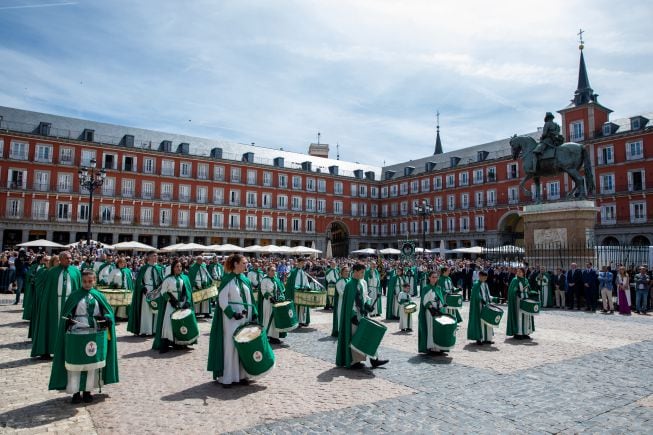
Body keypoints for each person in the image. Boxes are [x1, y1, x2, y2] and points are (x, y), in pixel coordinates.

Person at [48, 270, 119, 403]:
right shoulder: (74, 296)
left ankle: (87, 391)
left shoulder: (98, 295)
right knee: (76, 363)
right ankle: (75, 392)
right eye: (85, 281)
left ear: (94, 281)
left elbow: (107, 312)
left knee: (91, 364)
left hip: (94, 332)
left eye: (90, 281)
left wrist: (108, 318)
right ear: (81, 281)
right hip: (77, 332)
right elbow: (67, 312)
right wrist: (68, 319)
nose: (87, 284)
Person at [207, 254, 258, 387]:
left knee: (244, 346)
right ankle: (228, 377)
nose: (246, 265)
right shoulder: (227, 279)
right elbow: (222, 300)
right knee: (231, 346)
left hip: (245, 319)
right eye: (244, 263)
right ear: (236, 264)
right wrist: (233, 314)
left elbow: (251, 299)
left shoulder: (245, 280)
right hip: (231, 320)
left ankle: (242, 375)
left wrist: (254, 314)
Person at [335, 263, 388, 369]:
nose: (363, 274)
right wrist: (353, 315)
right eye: (362, 272)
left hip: (362, 314)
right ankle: (354, 361)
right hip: (354, 317)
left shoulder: (362, 283)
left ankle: (375, 359)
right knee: (356, 338)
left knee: (369, 336)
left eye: (364, 272)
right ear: (355, 272)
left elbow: (363, 297)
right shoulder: (349, 285)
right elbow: (350, 303)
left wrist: (367, 306)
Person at [31, 251, 82, 358]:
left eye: (70, 258)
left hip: (69, 303)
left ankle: (69, 349)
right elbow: (46, 289)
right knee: (51, 325)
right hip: (54, 302)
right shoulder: (52, 272)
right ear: (61, 259)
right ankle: (48, 349)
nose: (69, 260)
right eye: (67, 258)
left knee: (70, 326)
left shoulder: (75, 272)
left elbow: (78, 288)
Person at [152, 260, 195, 353]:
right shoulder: (168, 279)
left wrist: (187, 302)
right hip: (171, 304)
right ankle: (166, 343)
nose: (179, 268)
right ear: (173, 268)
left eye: (180, 266)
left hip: (182, 304)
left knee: (182, 323)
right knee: (168, 324)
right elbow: (163, 291)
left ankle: (181, 343)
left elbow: (188, 291)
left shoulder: (185, 278)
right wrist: (170, 300)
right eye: (177, 266)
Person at [128, 252, 163, 336]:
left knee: (155, 310)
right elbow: (139, 281)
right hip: (146, 290)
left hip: (156, 291)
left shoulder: (159, 268)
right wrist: (143, 288)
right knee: (146, 310)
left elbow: (162, 280)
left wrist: (159, 289)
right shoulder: (144, 268)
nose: (156, 257)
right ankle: (145, 330)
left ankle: (154, 330)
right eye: (154, 256)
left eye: (156, 256)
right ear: (149, 257)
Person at [418, 271, 448, 354]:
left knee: (438, 329)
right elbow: (425, 301)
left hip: (438, 311)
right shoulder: (426, 288)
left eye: (436, 277)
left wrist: (442, 306)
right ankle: (432, 347)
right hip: (430, 312)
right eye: (433, 277)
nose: (435, 279)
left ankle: (438, 347)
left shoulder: (438, 288)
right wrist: (432, 308)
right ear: (429, 278)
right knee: (431, 328)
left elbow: (441, 299)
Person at [260, 265, 286, 344]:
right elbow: (263, 291)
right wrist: (270, 297)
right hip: (268, 302)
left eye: (274, 270)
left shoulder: (276, 280)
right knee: (268, 318)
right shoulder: (265, 280)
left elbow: (281, 290)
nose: (273, 272)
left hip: (276, 302)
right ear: (268, 271)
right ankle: (269, 335)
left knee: (276, 319)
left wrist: (281, 297)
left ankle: (275, 336)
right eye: (272, 270)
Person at [467, 270, 496, 345]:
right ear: (479, 276)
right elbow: (476, 295)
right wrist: (481, 300)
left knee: (488, 321)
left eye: (486, 277)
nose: (485, 279)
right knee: (480, 322)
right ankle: (479, 338)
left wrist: (494, 298)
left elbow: (487, 295)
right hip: (479, 307)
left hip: (486, 305)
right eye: (483, 277)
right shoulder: (476, 285)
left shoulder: (485, 284)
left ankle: (487, 338)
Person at [506, 267, 534, 340]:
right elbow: (511, 291)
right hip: (518, 302)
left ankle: (525, 332)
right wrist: (517, 292)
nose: (518, 273)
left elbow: (529, 289)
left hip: (526, 301)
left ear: (523, 273)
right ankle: (518, 333)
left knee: (526, 316)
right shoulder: (515, 280)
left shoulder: (526, 280)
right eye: (517, 271)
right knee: (519, 317)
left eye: (520, 271)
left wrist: (529, 292)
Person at [285, 258, 312, 327]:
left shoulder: (303, 272)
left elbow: (306, 281)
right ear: (298, 263)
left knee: (303, 306)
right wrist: (298, 287)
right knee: (297, 306)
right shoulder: (293, 272)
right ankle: (297, 321)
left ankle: (302, 320)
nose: (303, 264)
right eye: (302, 262)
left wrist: (308, 287)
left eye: (304, 263)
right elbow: (291, 283)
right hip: (296, 292)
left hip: (303, 291)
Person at [331, 266, 350, 337]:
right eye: (345, 271)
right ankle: (340, 330)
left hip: (348, 301)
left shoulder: (349, 280)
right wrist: (348, 295)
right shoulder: (339, 281)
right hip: (341, 301)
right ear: (342, 272)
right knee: (340, 315)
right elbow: (340, 292)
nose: (347, 273)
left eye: (348, 271)